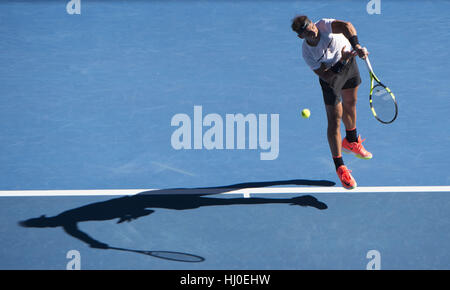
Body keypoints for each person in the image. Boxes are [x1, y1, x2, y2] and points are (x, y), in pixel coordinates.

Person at [291, 15, 372, 189]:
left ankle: (351, 140)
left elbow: (347, 26)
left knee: (351, 103)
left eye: (311, 25)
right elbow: (328, 77)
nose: (312, 30)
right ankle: (340, 167)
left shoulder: (325, 26)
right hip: (332, 77)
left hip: (349, 66)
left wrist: (356, 45)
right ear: (301, 36)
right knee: (334, 120)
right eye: (307, 31)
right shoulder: (307, 52)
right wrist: (341, 60)